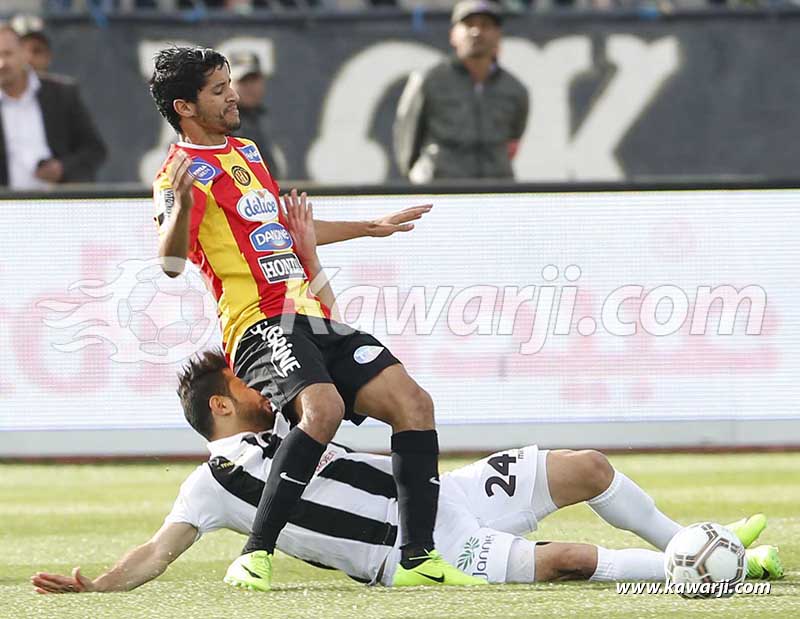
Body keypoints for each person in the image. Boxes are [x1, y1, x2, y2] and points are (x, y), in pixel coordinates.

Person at [148, 45, 477, 591]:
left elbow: (280, 225)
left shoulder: (247, 152)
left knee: (414, 404)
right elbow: (171, 263)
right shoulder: (179, 173)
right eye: (218, 88)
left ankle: (419, 557)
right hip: (258, 324)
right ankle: (255, 554)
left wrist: (370, 226)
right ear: (185, 106)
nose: (233, 94)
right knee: (320, 408)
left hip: (312, 316)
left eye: (230, 82)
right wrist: (181, 207)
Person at [29, 355, 783, 593]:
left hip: (440, 495)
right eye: (247, 375)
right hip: (409, 556)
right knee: (573, 560)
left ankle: (695, 541)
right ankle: (720, 566)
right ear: (223, 402)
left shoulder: (302, 414)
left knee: (587, 466)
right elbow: (158, 552)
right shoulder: (210, 484)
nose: (267, 376)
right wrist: (99, 585)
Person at [393, 0, 529, 183]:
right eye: (468, 24)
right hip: (439, 190)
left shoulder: (515, 89)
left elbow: (512, 142)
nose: (476, 31)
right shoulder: (428, 81)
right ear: (453, 34)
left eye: (486, 25)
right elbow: (407, 145)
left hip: (496, 193)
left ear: (498, 35)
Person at [0, 24, 107, 189]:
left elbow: (94, 150)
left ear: (23, 53)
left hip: (59, 205)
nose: (2, 63)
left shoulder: (62, 94)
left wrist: (62, 168)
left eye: (7, 54)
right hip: (6, 209)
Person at [228, 51, 286, 179]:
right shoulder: (223, 121)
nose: (250, 87)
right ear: (228, 85)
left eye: (254, 80)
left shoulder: (260, 118)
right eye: (243, 81)